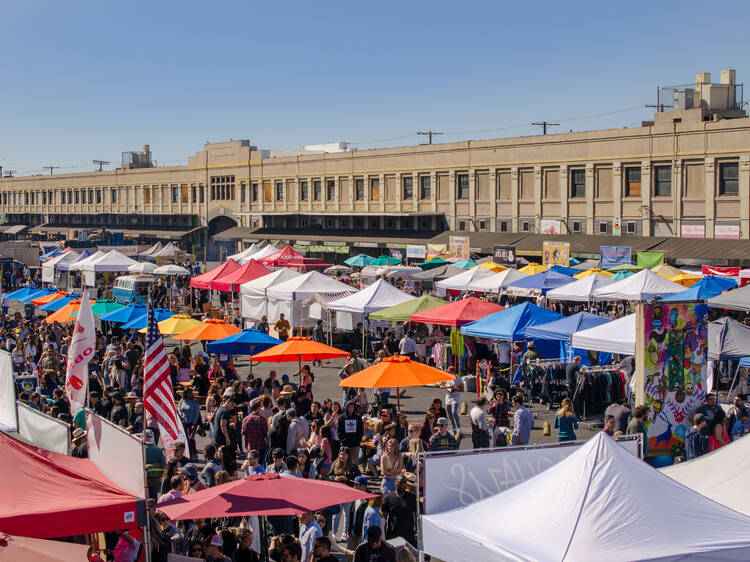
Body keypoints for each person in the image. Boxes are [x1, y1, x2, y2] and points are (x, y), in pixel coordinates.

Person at [382, 474, 417, 547]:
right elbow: (383, 518)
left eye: (405, 483)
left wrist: (417, 532)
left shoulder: (412, 498)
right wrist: (384, 535)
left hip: (409, 536)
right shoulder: (388, 498)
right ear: (395, 484)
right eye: (401, 482)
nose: (404, 485)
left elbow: (417, 516)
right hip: (393, 536)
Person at [338, 401, 364, 465]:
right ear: (346, 408)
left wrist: (358, 440)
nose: (350, 409)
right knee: (344, 461)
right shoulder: (341, 418)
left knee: (354, 462)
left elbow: (360, 430)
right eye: (349, 407)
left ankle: (354, 474)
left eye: (352, 407)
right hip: (345, 443)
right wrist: (342, 440)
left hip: (355, 443)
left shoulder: (358, 417)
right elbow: (339, 431)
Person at [442, 366, 463, 431]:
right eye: (448, 372)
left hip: (456, 397)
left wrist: (454, 388)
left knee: (454, 412)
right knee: (449, 412)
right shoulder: (447, 377)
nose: (448, 373)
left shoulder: (458, 379)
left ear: (454, 372)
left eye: (450, 372)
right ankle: (453, 427)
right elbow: (442, 384)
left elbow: (462, 389)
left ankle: (458, 428)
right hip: (448, 396)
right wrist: (444, 385)